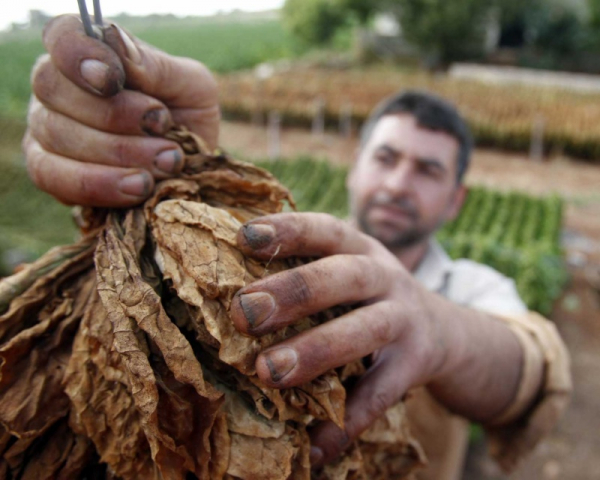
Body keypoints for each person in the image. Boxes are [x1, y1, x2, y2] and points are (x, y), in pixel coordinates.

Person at [23, 15, 571, 479]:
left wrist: (438, 328)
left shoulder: (473, 288)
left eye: (427, 171)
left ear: (456, 200)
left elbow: (530, 375)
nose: (400, 184)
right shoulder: (275, 253)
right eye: (386, 158)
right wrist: (177, 167)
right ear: (355, 165)